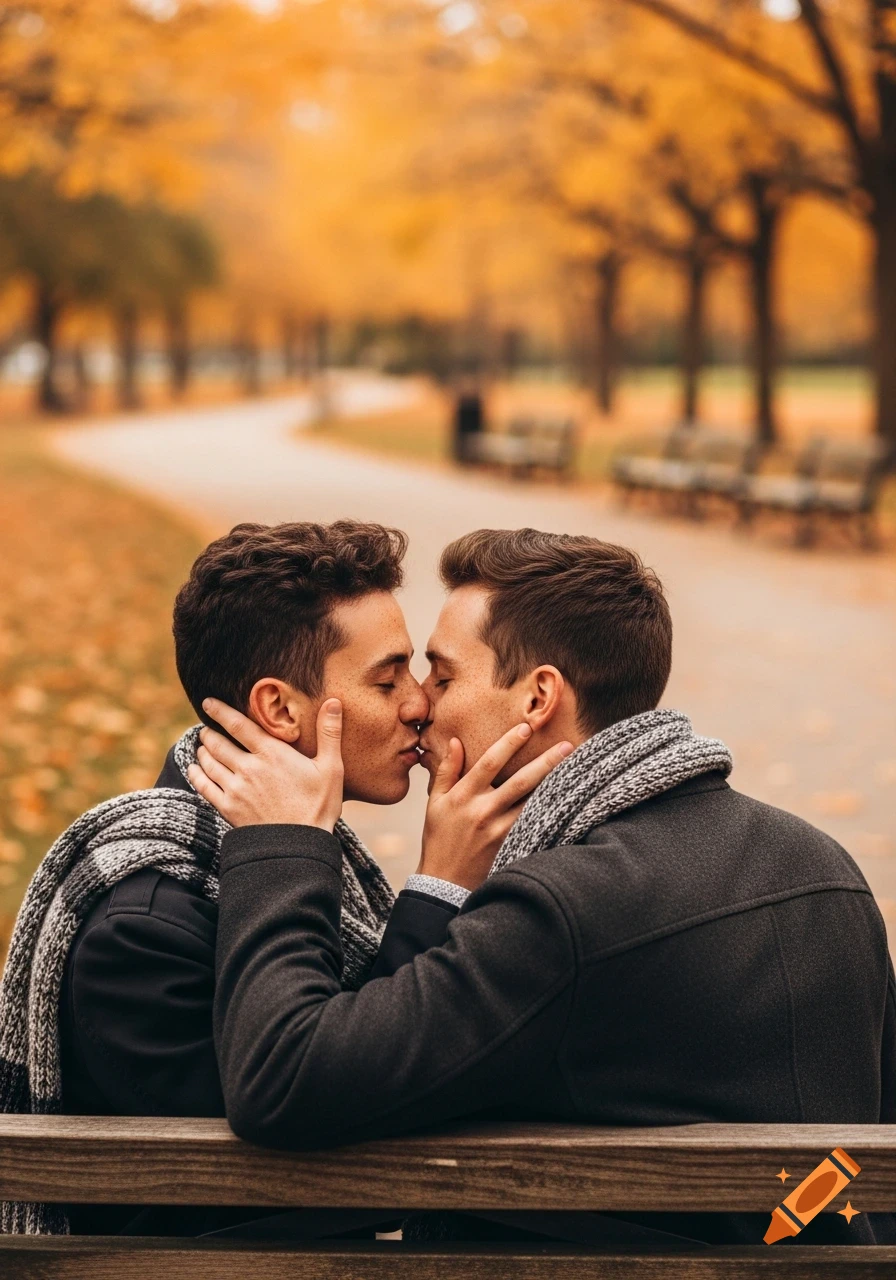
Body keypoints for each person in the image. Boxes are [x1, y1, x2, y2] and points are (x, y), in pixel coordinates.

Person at [195, 527, 896, 1249]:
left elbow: (284, 1080)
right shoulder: (827, 870)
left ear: (537, 698)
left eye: (444, 678)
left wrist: (284, 842)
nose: (422, 706)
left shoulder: (562, 911)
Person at [0, 520, 567, 1238]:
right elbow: (349, 1139)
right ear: (279, 709)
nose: (419, 704)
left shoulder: (304, 859)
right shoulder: (142, 929)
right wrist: (438, 889)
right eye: (387, 680)